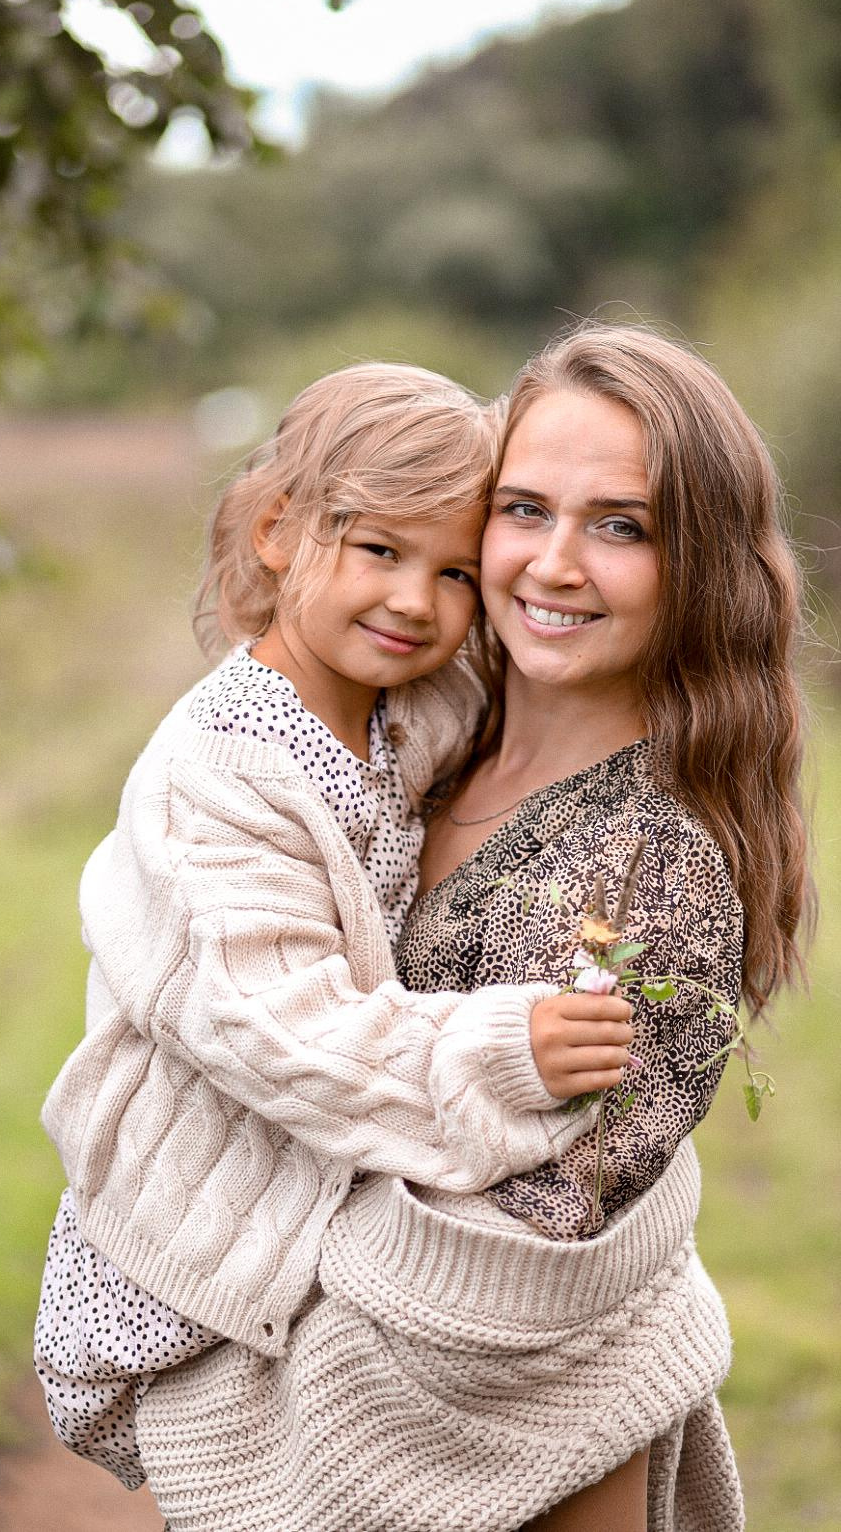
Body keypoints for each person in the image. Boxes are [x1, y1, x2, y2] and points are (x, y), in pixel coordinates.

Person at [134, 324, 812, 1532]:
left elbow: (535, 1245)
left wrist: (252, 1275)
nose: (553, 563)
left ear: (700, 563)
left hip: (522, 1471)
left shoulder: (651, 864)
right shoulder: (421, 743)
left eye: (621, 526)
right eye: (523, 510)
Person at [33, 362, 631, 1490]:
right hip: (192, 1263)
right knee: (269, 1486)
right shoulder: (218, 773)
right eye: (380, 552)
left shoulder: (415, 709)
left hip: (324, 1192)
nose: (418, 601)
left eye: (456, 571)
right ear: (276, 529)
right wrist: (498, 1053)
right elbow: (283, 1031)